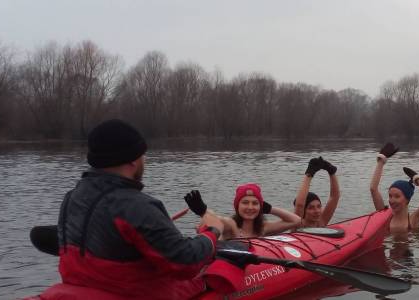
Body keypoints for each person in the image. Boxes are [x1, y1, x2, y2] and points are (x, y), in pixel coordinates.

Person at [55, 119, 226, 299]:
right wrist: (212, 232)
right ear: (132, 160)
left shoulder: (71, 198)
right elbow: (184, 263)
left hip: (87, 290)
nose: (145, 159)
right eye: (143, 154)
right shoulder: (136, 207)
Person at [368, 142, 419, 233]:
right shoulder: (385, 217)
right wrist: (381, 161)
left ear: (407, 199)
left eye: (397, 196)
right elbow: (373, 189)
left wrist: (417, 178)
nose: (392, 200)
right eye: (390, 196)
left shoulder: (414, 220)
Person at [206, 183, 301, 239]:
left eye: (255, 203)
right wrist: (202, 210)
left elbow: (296, 220)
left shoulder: (264, 228)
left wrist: (270, 209)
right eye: (245, 202)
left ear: (261, 207)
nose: (250, 207)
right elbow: (217, 220)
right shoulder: (230, 226)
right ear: (237, 206)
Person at [293, 157, 342, 228]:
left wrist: (332, 172)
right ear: (303, 211)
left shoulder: (321, 222)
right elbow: (300, 204)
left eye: (319, 206)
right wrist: (309, 174)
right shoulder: (297, 223)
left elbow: (334, 197)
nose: (317, 211)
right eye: (311, 208)